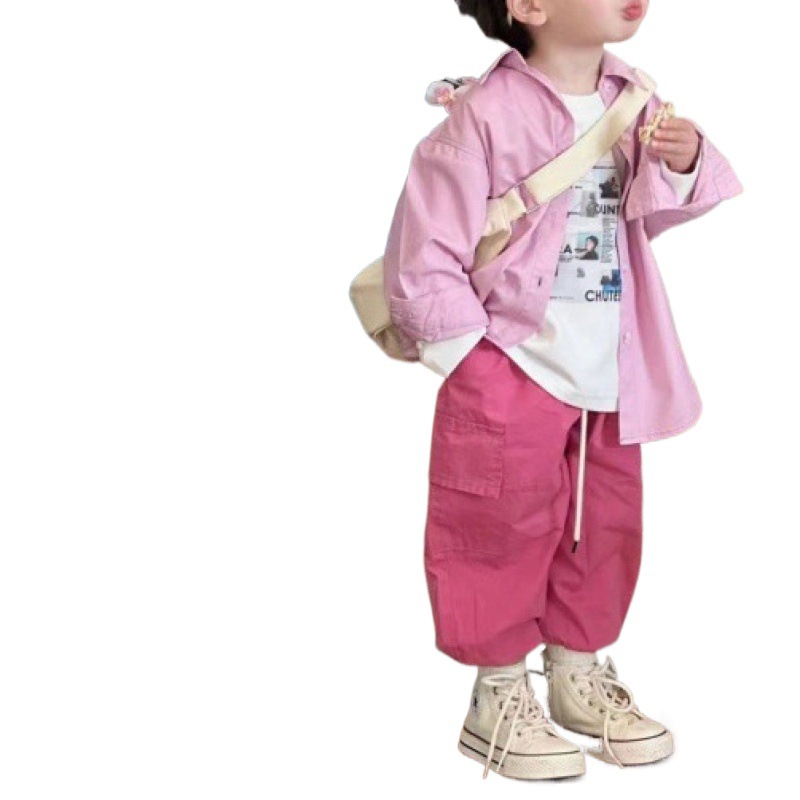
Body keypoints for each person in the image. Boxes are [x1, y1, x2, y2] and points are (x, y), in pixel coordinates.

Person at [381, 0, 742, 781]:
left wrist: (683, 161)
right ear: (530, 5)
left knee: (605, 521)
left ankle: (577, 672)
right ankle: (498, 694)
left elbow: (646, 216)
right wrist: (468, 358)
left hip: (612, 361)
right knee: (496, 522)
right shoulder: (483, 114)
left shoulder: (633, 99)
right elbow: (426, 243)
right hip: (512, 360)